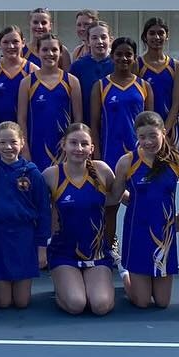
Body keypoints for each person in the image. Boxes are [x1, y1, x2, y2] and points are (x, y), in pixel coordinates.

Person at [113, 111, 179, 310]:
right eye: (142, 137)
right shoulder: (127, 162)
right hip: (138, 232)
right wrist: (133, 201)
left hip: (164, 235)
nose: (148, 142)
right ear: (136, 136)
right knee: (142, 302)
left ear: (164, 133)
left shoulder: (177, 161)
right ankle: (125, 273)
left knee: (162, 302)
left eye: (153, 135)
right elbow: (115, 195)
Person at [45, 124, 118, 316]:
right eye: (73, 143)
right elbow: (35, 210)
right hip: (64, 254)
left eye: (84, 144)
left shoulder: (102, 170)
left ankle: (91, 284)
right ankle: (63, 285)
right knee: (76, 304)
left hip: (97, 254)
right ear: (64, 145)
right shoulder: (51, 175)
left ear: (91, 148)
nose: (79, 148)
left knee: (101, 306)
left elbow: (119, 197)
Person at [0, 121, 50, 310]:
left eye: (13, 142)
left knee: (22, 302)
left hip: (24, 237)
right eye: (3, 142)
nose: (8, 147)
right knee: (3, 302)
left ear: (22, 143)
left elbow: (43, 211)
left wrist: (42, 247)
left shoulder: (33, 173)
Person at [18, 34, 80, 171]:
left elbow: (78, 119)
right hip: (36, 146)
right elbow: (21, 118)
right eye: (45, 50)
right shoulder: (27, 82)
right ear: (38, 52)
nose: (50, 54)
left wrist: (73, 145)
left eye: (54, 50)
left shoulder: (71, 81)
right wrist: (25, 148)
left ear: (60, 52)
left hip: (64, 148)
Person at [90, 36, 152, 169]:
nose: (124, 58)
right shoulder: (100, 86)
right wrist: (97, 155)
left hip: (138, 151)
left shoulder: (144, 86)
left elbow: (151, 124)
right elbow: (94, 125)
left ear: (135, 58)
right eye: (119, 54)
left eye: (128, 54)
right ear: (112, 57)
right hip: (110, 151)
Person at [136, 17, 179, 148]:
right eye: (152, 33)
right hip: (146, 130)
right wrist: (151, 131)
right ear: (145, 37)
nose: (157, 37)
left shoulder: (176, 66)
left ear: (167, 36)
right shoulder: (137, 65)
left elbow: (176, 103)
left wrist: (164, 131)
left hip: (171, 130)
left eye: (161, 33)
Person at [0, 25, 35, 129]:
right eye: (6, 42)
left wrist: (24, 136)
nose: (11, 46)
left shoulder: (32, 70)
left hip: (23, 134)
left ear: (23, 43)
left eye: (15, 42)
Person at [68, 20, 114, 120]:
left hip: (112, 122)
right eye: (94, 38)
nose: (99, 41)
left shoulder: (117, 64)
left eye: (103, 37)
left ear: (110, 40)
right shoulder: (77, 67)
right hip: (86, 123)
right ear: (88, 42)